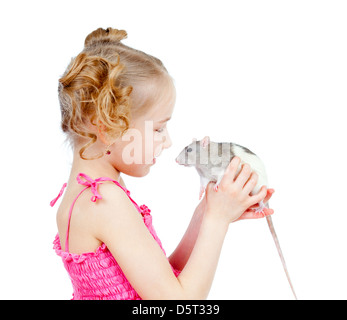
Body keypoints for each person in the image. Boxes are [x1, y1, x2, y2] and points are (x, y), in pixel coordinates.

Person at [50, 27, 274, 300]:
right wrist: (218, 221)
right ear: (108, 129)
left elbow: (156, 282)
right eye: (158, 129)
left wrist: (206, 213)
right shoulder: (103, 201)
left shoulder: (95, 193)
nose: (167, 142)